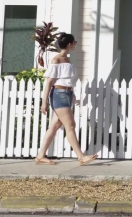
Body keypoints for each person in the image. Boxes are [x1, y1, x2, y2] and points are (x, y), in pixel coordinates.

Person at [34, 33, 97, 165]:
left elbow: (67, 80)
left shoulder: (67, 60)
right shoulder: (56, 60)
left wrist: (72, 93)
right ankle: (81, 156)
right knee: (70, 125)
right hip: (59, 94)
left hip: (66, 94)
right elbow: (49, 83)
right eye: (75, 42)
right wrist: (44, 102)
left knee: (55, 126)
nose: (75, 44)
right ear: (70, 44)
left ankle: (40, 156)